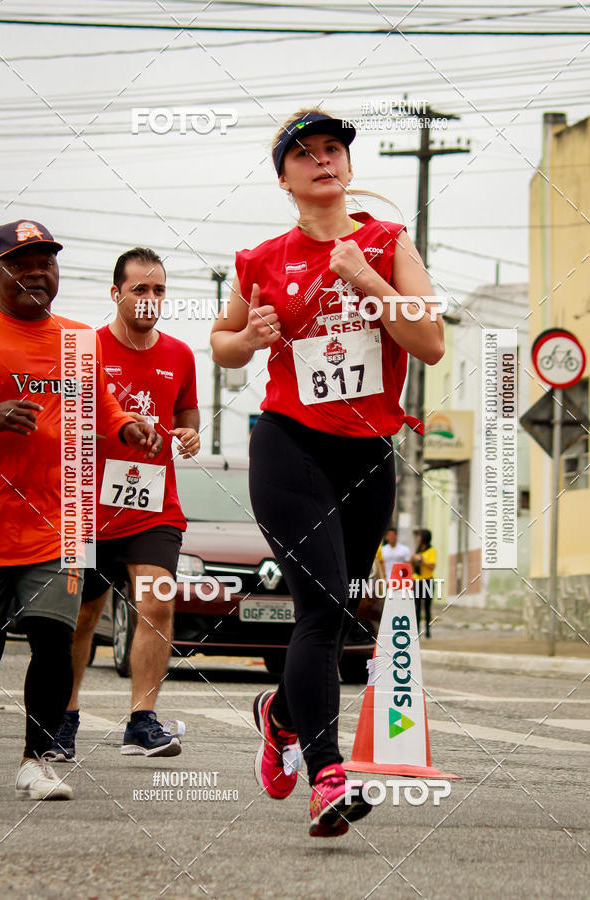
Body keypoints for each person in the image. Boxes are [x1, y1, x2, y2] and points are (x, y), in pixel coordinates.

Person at [210, 109, 444, 837]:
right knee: (317, 605)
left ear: (346, 166)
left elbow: (429, 340)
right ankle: (328, 775)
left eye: (333, 149)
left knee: (340, 609)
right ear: (284, 178)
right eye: (304, 154)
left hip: (368, 449)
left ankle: (277, 712)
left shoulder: (385, 241)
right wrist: (246, 337)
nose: (322, 160)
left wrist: (367, 276)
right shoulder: (261, 259)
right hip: (290, 445)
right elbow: (222, 343)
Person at [0, 221, 161, 799]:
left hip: (59, 522)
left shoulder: (78, 340)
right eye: (21, 262)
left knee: (52, 640)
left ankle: (37, 760)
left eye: (46, 262)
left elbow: (106, 406)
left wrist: (129, 426)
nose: (37, 272)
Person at [46, 247, 200, 763]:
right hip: (85, 508)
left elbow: (188, 413)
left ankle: (141, 721)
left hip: (154, 507)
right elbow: (58, 420)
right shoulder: (82, 348)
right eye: (140, 289)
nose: (150, 299)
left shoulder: (179, 353)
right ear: (116, 294)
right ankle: (63, 720)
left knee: (156, 602)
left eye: (159, 290)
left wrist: (190, 435)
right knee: (82, 616)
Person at [412, 528, 436, 638]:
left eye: (419, 536)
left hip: (427, 581)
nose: (417, 538)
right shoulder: (418, 550)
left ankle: (427, 630)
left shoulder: (431, 550)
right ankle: (416, 631)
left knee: (427, 607)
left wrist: (421, 560)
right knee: (416, 606)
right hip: (417, 580)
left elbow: (432, 566)